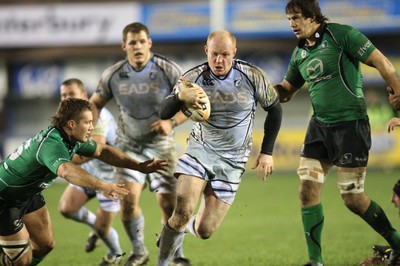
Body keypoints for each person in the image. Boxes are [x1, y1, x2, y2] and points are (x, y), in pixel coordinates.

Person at [274, 1, 400, 265]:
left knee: (353, 199)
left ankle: (398, 243)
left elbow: (384, 64)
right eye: (289, 19)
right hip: (319, 127)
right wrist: (265, 92)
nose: (292, 24)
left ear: (312, 16)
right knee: (306, 190)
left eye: (296, 18)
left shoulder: (342, 35)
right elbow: (286, 91)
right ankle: (315, 261)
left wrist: (398, 95)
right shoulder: (299, 54)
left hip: (350, 125)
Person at [157, 30, 282, 265]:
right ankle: (163, 261)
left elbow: (274, 109)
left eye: (225, 54)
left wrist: (267, 152)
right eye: (214, 54)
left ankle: (176, 232)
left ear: (234, 52)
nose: (219, 60)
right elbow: (164, 112)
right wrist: (179, 97)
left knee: (205, 230)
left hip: (233, 160)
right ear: (207, 51)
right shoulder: (192, 78)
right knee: (183, 210)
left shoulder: (253, 76)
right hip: (200, 150)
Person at [0, 98, 168, 266]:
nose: (92, 127)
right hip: (4, 199)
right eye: (88, 122)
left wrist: (138, 166)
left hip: (28, 195)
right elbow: (66, 170)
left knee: (45, 245)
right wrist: (103, 186)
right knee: (22, 261)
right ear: (72, 124)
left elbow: (102, 151)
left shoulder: (70, 139)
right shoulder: (52, 144)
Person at [89, 22, 190, 266]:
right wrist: (93, 130)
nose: (137, 46)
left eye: (142, 41)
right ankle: (139, 251)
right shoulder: (113, 74)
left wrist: (172, 123)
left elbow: (192, 103)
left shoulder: (169, 69)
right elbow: (94, 104)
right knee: (127, 201)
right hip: (128, 146)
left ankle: (176, 256)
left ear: (149, 43)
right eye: (132, 42)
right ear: (124, 46)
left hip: (162, 145)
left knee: (169, 204)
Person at [57, 78, 122, 266]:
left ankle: (115, 255)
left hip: (112, 176)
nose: (66, 98)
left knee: (104, 228)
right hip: (89, 172)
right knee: (66, 208)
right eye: (63, 95)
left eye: (71, 94)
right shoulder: (65, 120)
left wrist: (60, 161)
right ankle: (96, 227)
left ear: (83, 95)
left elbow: (94, 150)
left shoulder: (97, 115)